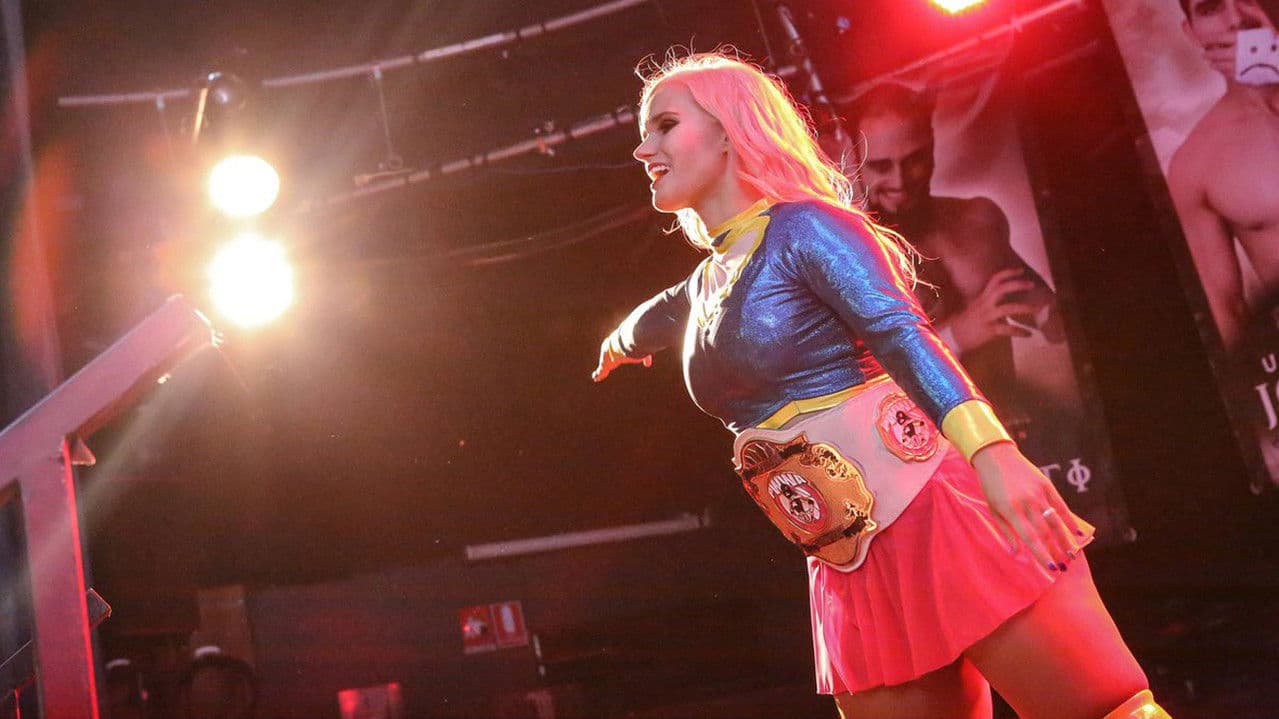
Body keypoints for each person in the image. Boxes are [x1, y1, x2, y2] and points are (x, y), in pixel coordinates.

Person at [592, 52, 1169, 719]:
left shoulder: (805, 228)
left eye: (664, 125)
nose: (643, 149)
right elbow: (656, 317)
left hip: (933, 509)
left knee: (1107, 712)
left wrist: (993, 452)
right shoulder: (703, 286)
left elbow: (902, 335)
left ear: (728, 128)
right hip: (844, 559)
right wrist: (617, 344)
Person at [840, 82, 1064, 414]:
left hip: (1012, 419)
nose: (900, 181)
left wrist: (1051, 312)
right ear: (858, 160)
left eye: (914, 159)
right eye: (881, 166)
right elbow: (865, 382)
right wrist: (959, 334)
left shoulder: (979, 218)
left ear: (931, 146)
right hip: (931, 437)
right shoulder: (849, 254)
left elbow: (1052, 320)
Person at [1167, 0, 1279, 352]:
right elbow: (1226, 313)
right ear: (1192, 33)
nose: (1238, 18)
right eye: (1212, 7)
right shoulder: (1195, 163)